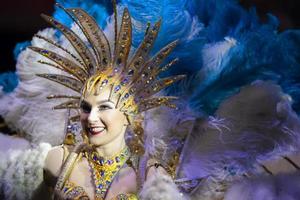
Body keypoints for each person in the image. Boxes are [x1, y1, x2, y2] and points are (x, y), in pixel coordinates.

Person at [35, 3, 183, 200]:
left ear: (129, 116)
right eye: (86, 108)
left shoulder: (150, 175)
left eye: (104, 107)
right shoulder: (58, 161)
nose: (91, 118)